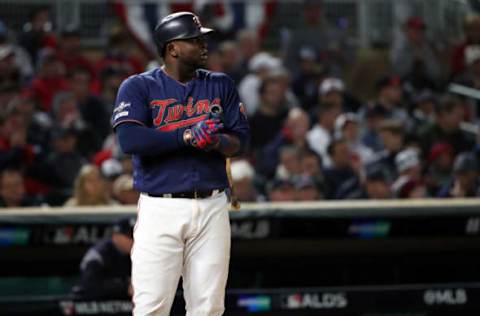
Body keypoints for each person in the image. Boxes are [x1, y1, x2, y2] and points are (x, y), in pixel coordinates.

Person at [112, 12, 250, 316]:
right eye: (195, 40)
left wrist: (216, 142)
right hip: (161, 207)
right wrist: (186, 136)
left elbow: (241, 140)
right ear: (172, 48)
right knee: (152, 306)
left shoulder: (220, 84)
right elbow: (130, 140)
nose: (204, 45)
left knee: (209, 307)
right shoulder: (138, 86)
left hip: (212, 205)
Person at [73, 216, 135, 299]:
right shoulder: (99, 254)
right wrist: (124, 287)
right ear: (116, 236)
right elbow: (90, 286)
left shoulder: (140, 252)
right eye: (130, 237)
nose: (134, 240)